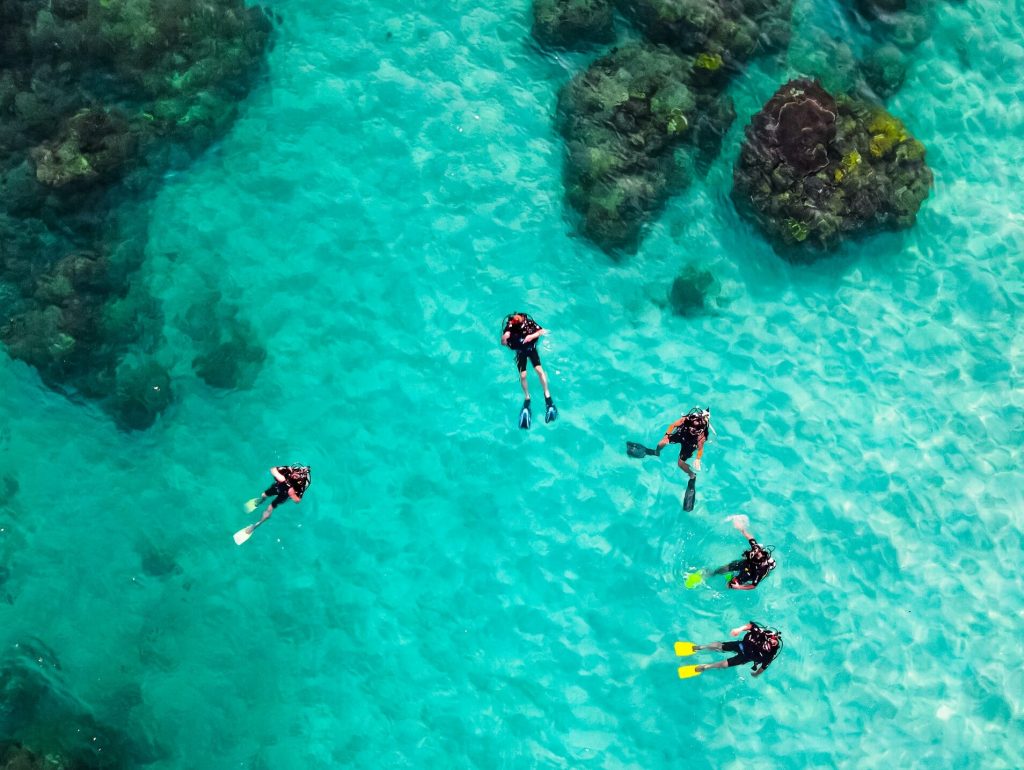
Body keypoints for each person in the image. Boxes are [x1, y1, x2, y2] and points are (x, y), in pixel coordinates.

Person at [500, 312, 557, 429]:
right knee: (523, 375)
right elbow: (503, 343)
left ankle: (547, 395)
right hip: (520, 352)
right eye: (512, 321)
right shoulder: (509, 327)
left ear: (521, 318)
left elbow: (544, 331)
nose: (512, 322)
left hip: (531, 349)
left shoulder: (529, 323)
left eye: (516, 320)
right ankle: (527, 397)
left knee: (539, 371)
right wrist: (504, 338)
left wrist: (532, 336)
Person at [692, 621, 782, 677]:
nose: (772, 641)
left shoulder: (769, 656)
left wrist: (756, 674)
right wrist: (739, 629)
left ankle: (706, 667)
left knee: (723, 665)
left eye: (774, 642)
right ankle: (701, 647)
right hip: (742, 645)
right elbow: (750, 626)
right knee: (719, 645)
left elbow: (763, 668)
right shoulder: (762, 634)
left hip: (746, 657)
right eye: (772, 639)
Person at [242, 465, 312, 536]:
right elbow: (273, 469)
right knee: (264, 495)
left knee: (270, 508)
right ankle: (261, 501)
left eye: (298, 477)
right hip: (277, 487)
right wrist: (278, 475)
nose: (295, 476)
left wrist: (292, 494)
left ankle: (256, 525)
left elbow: (298, 500)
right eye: (295, 473)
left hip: (283, 495)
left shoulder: (300, 486)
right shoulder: (289, 470)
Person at [711, 521, 776, 591]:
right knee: (723, 569)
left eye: (752, 555)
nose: (751, 552)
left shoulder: (759, 571)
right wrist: (742, 529)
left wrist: (738, 587)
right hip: (747, 564)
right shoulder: (756, 549)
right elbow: (751, 538)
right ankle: (712, 573)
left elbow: (753, 586)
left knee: (730, 585)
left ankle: (732, 579)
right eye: (753, 552)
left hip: (751, 573)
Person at [655, 407, 711, 479]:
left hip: (690, 443)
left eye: (695, 431)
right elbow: (673, 425)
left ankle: (692, 474)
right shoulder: (685, 420)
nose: (692, 430)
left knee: (680, 464)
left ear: (699, 431)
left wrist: (698, 459)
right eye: (691, 427)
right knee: (662, 442)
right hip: (681, 434)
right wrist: (666, 435)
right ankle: (656, 452)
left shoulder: (701, 437)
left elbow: (700, 449)